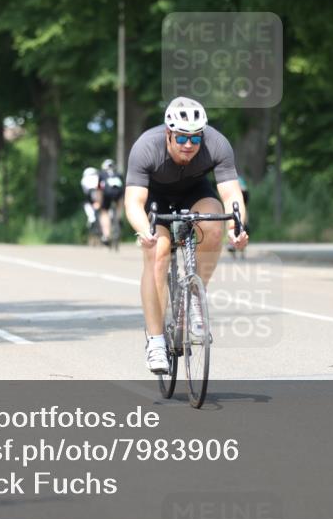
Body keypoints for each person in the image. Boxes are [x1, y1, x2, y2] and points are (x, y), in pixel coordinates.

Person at [124, 97, 249, 374]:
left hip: (195, 192)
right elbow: (133, 201)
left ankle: (194, 296)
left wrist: (237, 229)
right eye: (181, 138)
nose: (189, 145)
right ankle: (156, 341)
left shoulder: (217, 144)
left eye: (195, 139)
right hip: (155, 199)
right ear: (168, 133)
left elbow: (230, 195)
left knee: (213, 222)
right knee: (158, 253)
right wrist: (145, 231)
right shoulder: (146, 147)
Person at [97, 159, 125, 245]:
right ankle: (119, 218)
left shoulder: (102, 174)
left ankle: (106, 235)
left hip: (107, 193)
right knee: (119, 205)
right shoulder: (119, 174)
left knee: (104, 212)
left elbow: (99, 189)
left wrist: (99, 202)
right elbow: (123, 188)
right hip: (118, 193)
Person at [80, 166, 101, 239]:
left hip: (90, 200)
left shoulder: (84, 180)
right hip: (100, 199)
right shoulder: (98, 178)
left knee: (91, 215)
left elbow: (85, 192)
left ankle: (91, 221)